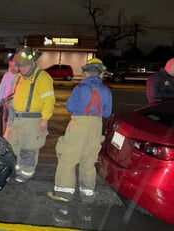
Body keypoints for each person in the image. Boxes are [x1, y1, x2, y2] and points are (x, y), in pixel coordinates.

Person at [47, 57, 113, 203]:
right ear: (101, 74)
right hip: (96, 125)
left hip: (79, 124)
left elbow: (70, 107)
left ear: (86, 73)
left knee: (68, 158)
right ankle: (87, 194)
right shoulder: (107, 91)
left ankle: (64, 194)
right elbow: (107, 113)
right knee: (89, 161)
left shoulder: (80, 88)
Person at [3, 46, 56, 183]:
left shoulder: (43, 77)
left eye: (24, 66)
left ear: (32, 63)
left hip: (32, 121)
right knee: (12, 145)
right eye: (19, 66)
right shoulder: (20, 77)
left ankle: (26, 173)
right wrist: (10, 102)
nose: (22, 69)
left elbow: (49, 101)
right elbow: (19, 94)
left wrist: (45, 120)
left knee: (28, 148)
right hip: (17, 119)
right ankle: (15, 169)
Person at [0, 54, 19, 134]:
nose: (12, 68)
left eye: (14, 66)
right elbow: (2, 89)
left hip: (19, 106)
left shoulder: (22, 76)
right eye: (10, 65)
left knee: (15, 128)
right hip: (7, 104)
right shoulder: (7, 75)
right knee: (6, 124)